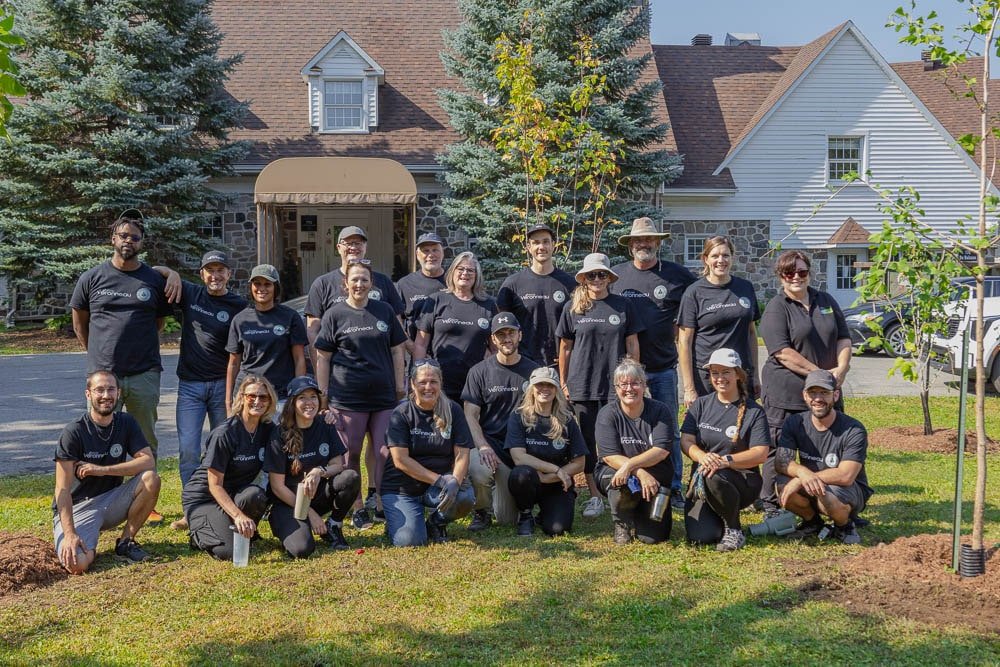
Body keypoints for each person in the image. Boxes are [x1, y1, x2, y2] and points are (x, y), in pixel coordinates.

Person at [70, 209, 171, 522]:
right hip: (103, 374)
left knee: (145, 439)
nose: (129, 241)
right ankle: (93, 498)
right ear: (113, 238)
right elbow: (79, 323)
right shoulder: (91, 278)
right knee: (97, 438)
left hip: (144, 373)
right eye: (123, 235)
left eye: (135, 237)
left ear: (141, 243)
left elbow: (158, 323)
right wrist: (99, 356)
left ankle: (144, 501)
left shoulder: (152, 280)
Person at [151, 252, 247, 532]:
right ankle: (191, 509)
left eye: (220, 270)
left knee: (223, 449)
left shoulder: (239, 306)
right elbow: (155, 269)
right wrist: (173, 273)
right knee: (189, 450)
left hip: (222, 387)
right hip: (190, 387)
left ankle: (224, 506)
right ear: (202, 274)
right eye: (209, 270)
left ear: (229, 274)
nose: (215, 276)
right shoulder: (191, 294)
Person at [611, 217, 697, 510]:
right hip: (625, 374)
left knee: (668, 429)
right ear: (630, 245)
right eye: (638, 240)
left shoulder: (677, 276)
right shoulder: (617, 276)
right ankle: (627, 483)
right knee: (625, 430)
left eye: (648, 239)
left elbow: (694, 308)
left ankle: (674, 487)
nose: (643, 244)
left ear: (657, 243)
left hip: (662, 369)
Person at [314, 259, 407, 530]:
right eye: (354, 279)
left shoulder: (384, 311)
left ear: (371, 283)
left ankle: (380, 502)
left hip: (383, 397)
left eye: (364, 279)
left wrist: (399, 384)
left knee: (384, 451)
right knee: (350, 453)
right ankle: (356, 507)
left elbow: (397, 350)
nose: (359, 284)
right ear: (345, 284)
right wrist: (323, 395)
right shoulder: (334, 314)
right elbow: (323, 357)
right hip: (347, 398)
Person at [758, 250, 852, 517]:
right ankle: (771, 503)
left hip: (828, 389)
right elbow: (782, 352)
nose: (796, 277)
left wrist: (842, 368)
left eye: (802, 272)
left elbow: (844, 338)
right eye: (789, 273)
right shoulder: (777, 308)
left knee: (834, 442)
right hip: (785, 393)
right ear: (781, 276)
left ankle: (837, 497)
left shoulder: (826, 300)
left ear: (810, 273)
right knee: (779, 449)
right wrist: (821, 376)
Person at [556, 253, 642, 517]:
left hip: (617, 387)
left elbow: (632, 344)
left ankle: (622, 489)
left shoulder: (623, 305)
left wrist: (634, 379)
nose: (597, 279)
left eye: (602, 274)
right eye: (591, 275)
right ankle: (595, 496)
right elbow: (565, 348)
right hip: (582, 385)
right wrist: (563, 382)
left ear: (609, 278)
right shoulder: (573, 308)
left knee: (618, 439)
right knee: (587, 441)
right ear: (583, 278)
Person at [52, 370, 161, 573]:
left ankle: (126, 542)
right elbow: (62, 490)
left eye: (111, 389)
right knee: (77, 564)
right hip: (78, 508)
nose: (106, 395)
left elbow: (148, 461)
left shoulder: (126, 422)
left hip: (111, 501)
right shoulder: (73, 432)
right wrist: (70, 534)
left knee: (151, 479)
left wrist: (102, 470)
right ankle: (88, 543)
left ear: (118, 393)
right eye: (99, 390)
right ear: (88, 394)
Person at [680, 349, 770, 551]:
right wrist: (702, 456)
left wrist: (725, 461)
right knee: (701, 537)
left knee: (714, 473)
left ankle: (734, 529)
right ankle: (720, 515)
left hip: (741, 481)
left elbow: (761, 453)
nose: (720, 378)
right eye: (715, 373)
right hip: (703, 482)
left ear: (738, 374)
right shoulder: (701, 404)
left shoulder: (754, 411)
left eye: (726, 372)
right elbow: (686, 440)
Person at [264, 376, 362, 557]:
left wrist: (319, 471)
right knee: (301, 549)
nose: (309, 402)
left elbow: (338, 465)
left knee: (350, 477)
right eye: (302, 397)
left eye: (313, 397)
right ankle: (292, 525)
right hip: (288, 502)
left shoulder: (325, 424)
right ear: (292, 403)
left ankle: (334, 525)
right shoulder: (279, 434)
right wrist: (310, 513)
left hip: (315, 495)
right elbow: (277, 487)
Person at [381, 360, 476, 546]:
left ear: (441, 383)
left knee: (465, 496)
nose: (428, 387)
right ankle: (397, 520)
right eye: (422, 382)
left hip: (436, 488)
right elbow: (400, 460)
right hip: (402, 490)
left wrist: (455, 481)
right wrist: (440, 481)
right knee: (409, 541)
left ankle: (435, 522)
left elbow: (462, 454)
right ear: (412, 384)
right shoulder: (401, 413)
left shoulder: (453, 410)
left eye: (433, 382)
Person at [182, 375, 276, 560]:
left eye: (263, 397)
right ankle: (199, 533)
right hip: (205, 498)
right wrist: (239, 515)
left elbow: (293, 431)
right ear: (241, 398)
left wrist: (324, 417)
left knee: (256, 495)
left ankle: (241, 530)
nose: (257, 401)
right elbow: (215, 485)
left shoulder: (267, 429)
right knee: (228, 552)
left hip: (233, 493)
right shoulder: (225, 433)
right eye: (251, 396)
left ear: (270, 401)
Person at [775, 369, 872, 545]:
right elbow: (781, 462)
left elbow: (846, 475)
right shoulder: (795, 422)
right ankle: (812, 523)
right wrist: (803, 474)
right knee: (782, 485)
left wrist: (802, 479)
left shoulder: (854, 429)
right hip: (811, 484)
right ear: (804, 395)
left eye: (824, 393)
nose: (818, 398)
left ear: (835, 395)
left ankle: (844, 526)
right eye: (812, 392)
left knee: (825, 493)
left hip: (846, 489)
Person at [463, 313, 539, 531]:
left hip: (519, 449)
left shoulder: (533, 372)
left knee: (507, 519)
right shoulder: (479, 372)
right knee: (478, 469)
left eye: (511, 333)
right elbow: (470, 415)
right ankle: (482, 511)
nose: (507, 339)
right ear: (493, 340)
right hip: (490, 445)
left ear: (520, 335)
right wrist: (482, 446)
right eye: (501, 335)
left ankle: (506, 497)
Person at [594, 359, 674, 545]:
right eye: (623, 384)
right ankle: (622, 522)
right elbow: (609, 456)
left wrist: (630, 465)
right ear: (616, 388)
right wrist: (639, 472)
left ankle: (639, 509)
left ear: (644, 385)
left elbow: (661, 451)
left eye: (635, 383)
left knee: (653, 538)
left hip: (655, 477)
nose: (629, 389)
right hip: (616, 471)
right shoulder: (608, 414)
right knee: (621, 479)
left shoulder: (660, 410)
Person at [677, 236, 760, 408]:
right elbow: (684, 342)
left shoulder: (745, 287)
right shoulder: (694, 293)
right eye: (715, 256)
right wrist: (689, 388)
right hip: (708, 376)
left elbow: (752, 333)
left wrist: (755, 375)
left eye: (726, 255)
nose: (721, 260)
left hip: (739, 372)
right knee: (709, 422)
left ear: (732, 258)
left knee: (743, 420)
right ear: (705, 259)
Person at [505, 367, 587, 537]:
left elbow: (579, 463)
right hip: (530, 479)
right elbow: (518, 457)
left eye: (550, 385)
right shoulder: (518, 416)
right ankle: (525, 515)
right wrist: (555, 469)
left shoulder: (567, 419)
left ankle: (544, 515)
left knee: (558, 529)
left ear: (556, 389)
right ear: (531, 389)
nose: (544, 389)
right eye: (539, 384)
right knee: (520, 474)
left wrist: (550, 477)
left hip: (557, 483)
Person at [305, 225, 404, 364]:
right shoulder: (322, 284)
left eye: (358, 243)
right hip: (338, 371)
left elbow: (397, 329)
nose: (353, 247)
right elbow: (313, 331)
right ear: (338, 247)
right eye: (348, 243)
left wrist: (398, 370)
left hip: (379, 368)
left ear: (365, 247)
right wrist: (319, 369)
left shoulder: (383, 282)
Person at [413, 251, 497, 401]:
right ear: (452, 272)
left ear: (477, 275)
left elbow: (495, 348)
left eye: (470, 270)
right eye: (461, 269)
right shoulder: (436, 300)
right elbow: (420, 343)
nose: (465, 273)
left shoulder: (488, 305)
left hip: (475, 384)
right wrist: (418, 374)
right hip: (439, 384)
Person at [225, 264, 307, 412]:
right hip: (247, 396)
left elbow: (299, 359)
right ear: (251, 287)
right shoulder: (240, 320)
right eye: (257, 284)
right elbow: (233, 363)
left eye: (267, 284)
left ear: (276, 287)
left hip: (281, 396)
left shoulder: (290, 317)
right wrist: (228, 399)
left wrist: (297, 394)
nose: (261, 288)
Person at [496, 223, 577, 366]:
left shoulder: (570, 284)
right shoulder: (512, 284)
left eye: (546, 241)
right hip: (523, 365)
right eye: (536, 242)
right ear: (528, 247)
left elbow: (577, 326)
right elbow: (501, 327)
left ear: (553, 245)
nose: (541, 247)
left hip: (560, 365)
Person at [395, 232, 448, 354]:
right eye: (426, 251)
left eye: (435, 250)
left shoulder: (453, 282)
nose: (431, 255)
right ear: (417, 255)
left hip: (452, 355)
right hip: (419, 356)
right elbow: (397, 322)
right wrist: (412, 348)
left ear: (443, 253)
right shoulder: (405, 284)